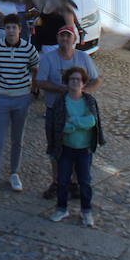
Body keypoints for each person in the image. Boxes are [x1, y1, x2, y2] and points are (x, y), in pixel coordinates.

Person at [0, 14, 39, 202]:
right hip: (1, 98)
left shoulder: (29, 49)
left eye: (14, 27)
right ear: (5, 29)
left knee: (17, 139)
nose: (11, 31)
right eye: (8, 27)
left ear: (20, 29)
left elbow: (36, 68)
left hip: (21, 98)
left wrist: (33, 91)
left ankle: (14, 173)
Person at [36, 25, 101, 199]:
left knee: (77, 146)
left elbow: (96, 79)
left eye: (68, 36)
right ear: (57, 39)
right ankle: (56, 182)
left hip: (78, 111)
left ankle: (73, 182)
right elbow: (40, 81)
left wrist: (81, 93)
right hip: (55, 110)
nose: (65, 39)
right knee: (55, 148)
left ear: (74, 40)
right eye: (62, 36)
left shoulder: (82, 57)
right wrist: (62, 90)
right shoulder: (49, 58)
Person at [48, 66, 105, 227]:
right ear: (67, 82)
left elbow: (92, 122)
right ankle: (61, 208)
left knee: (85, 181)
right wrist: (78, 123)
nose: (75, 82)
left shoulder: (89, 101)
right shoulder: (61, 101)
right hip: (66, 148)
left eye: (78, 79)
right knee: (63, 180)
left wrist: (73, 121)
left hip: (84, 149)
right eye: (72, 79)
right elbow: (59, 126)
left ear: (83, 83)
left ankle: (86, 211)